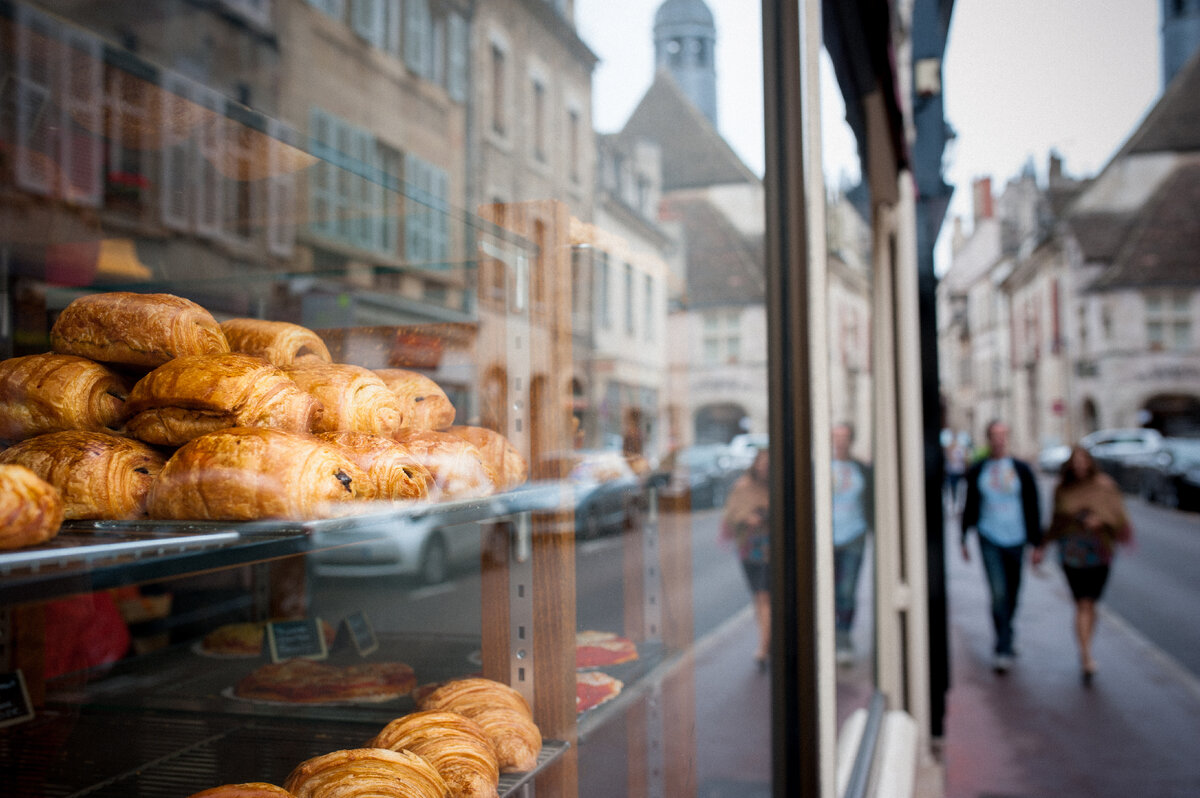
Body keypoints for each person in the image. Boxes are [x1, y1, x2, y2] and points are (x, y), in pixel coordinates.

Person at [1032, 445, 1132, 686]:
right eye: (1075, 462)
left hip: (1099, 550)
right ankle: (1086, 654)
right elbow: (1056, 520)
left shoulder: (1105, 485)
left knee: (1091, 602)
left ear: (1089, 462)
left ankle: (1086, 648)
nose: (1079, 466)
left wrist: (1102, 521)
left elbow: (1118, 514)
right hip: (1072, 552)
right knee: (1082, 602)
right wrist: (1042, 544)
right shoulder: (1063, 489)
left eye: (1083, 461)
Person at [960, 419, 1042, 673]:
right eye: (995, 434)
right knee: (998, 593)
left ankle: (1007, 630)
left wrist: (1037, 543)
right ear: (988, 438)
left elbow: (1032, 506)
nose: (999, 439)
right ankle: (1002, 645)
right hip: (989, 536)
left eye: (1003, 434)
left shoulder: (1021, 469)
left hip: (1016, 537)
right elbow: (970, 503)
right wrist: (963, 536)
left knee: (1014, 591)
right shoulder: (979, 469)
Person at [722, 447, 771, 672]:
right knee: (758, 598)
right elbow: (731, 514)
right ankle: (766, 640)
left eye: (768, 464)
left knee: (764, 597)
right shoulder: (742, 486)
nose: (764, 468)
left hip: (770, 550)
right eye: (761, 463)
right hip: (748, 549)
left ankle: (763, 646)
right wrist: (747, 517)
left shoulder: (774, 487)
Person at [831, 422, 872, 665]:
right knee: (829, 591)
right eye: (836, 436)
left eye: (845, 436)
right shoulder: (821, 467)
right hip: (827, 537)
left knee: (847, 589)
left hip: (854, 534)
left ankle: (844, 636)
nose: (840, 441)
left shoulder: (861, 469)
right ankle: (831, 636)